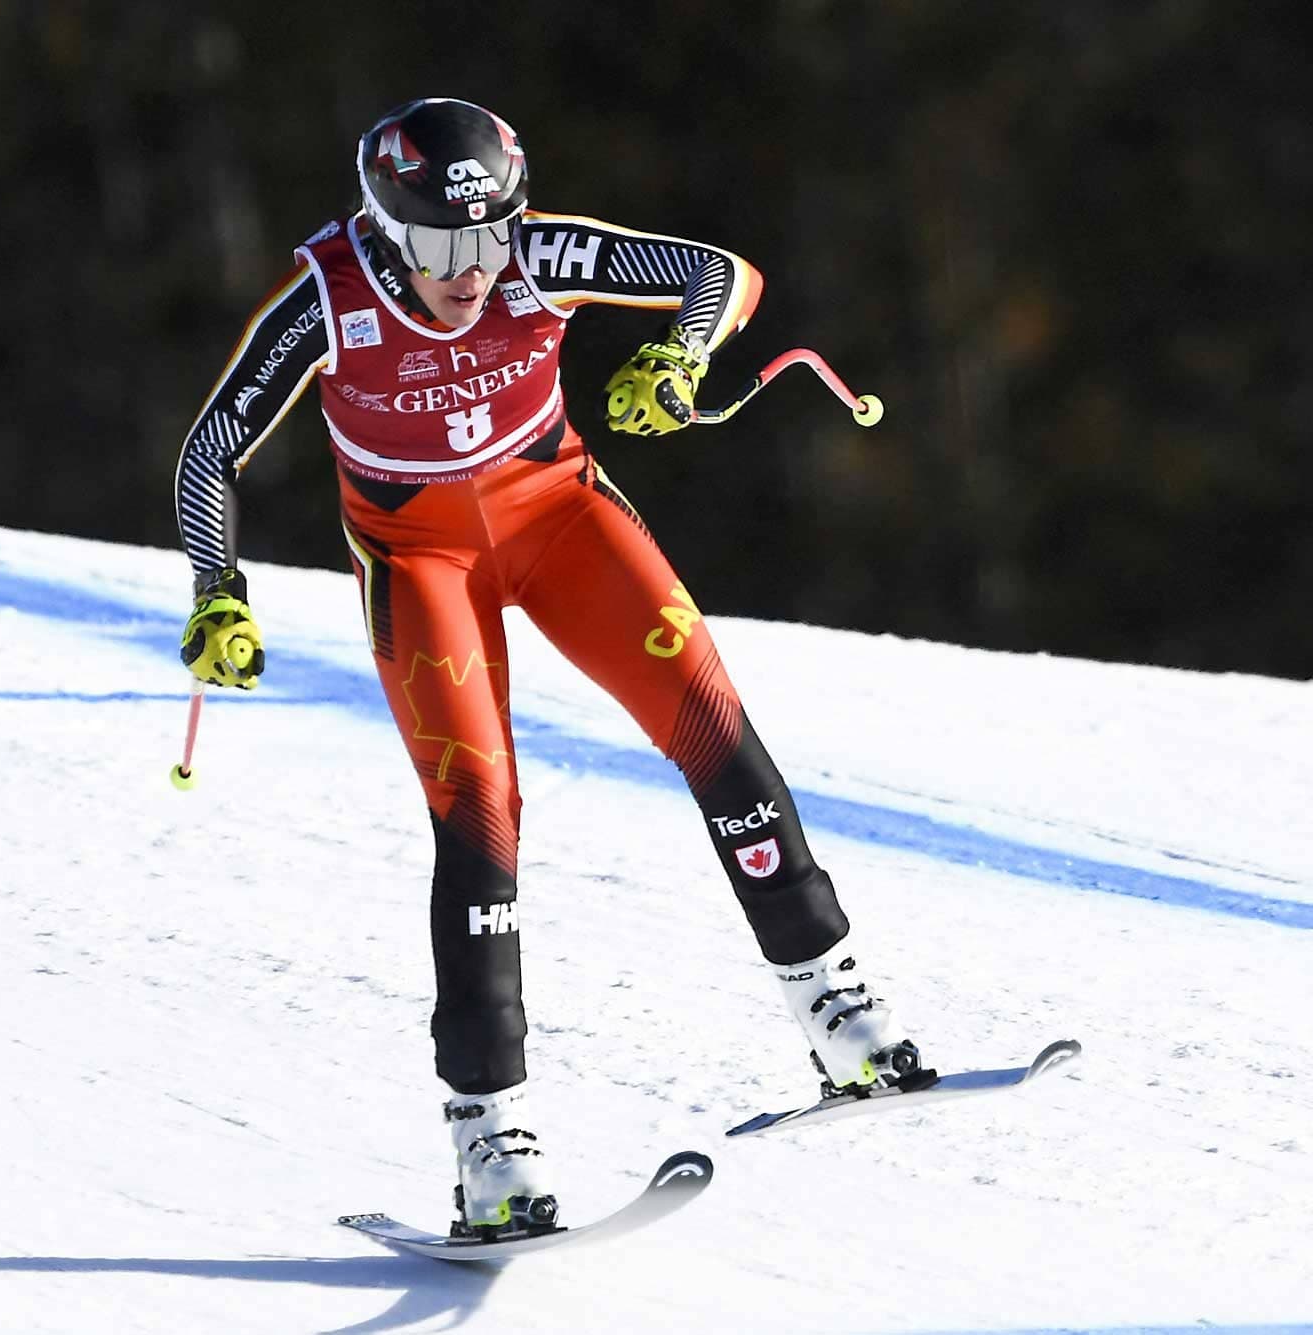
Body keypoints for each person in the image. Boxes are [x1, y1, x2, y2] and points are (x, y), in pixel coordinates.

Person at [172, 97, 920, 1237]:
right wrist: (216, 590)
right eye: (437, 247)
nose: (469, 272)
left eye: (486, 239)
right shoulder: (328, 296)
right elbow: (212, 446)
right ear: (382, 229)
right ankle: (488, 1138)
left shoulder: (534, 251)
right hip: (421, 559)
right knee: (480, 816)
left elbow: (719, 274)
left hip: (560, 516)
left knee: (711, 725)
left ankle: (835, 1003)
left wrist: (679, 353)